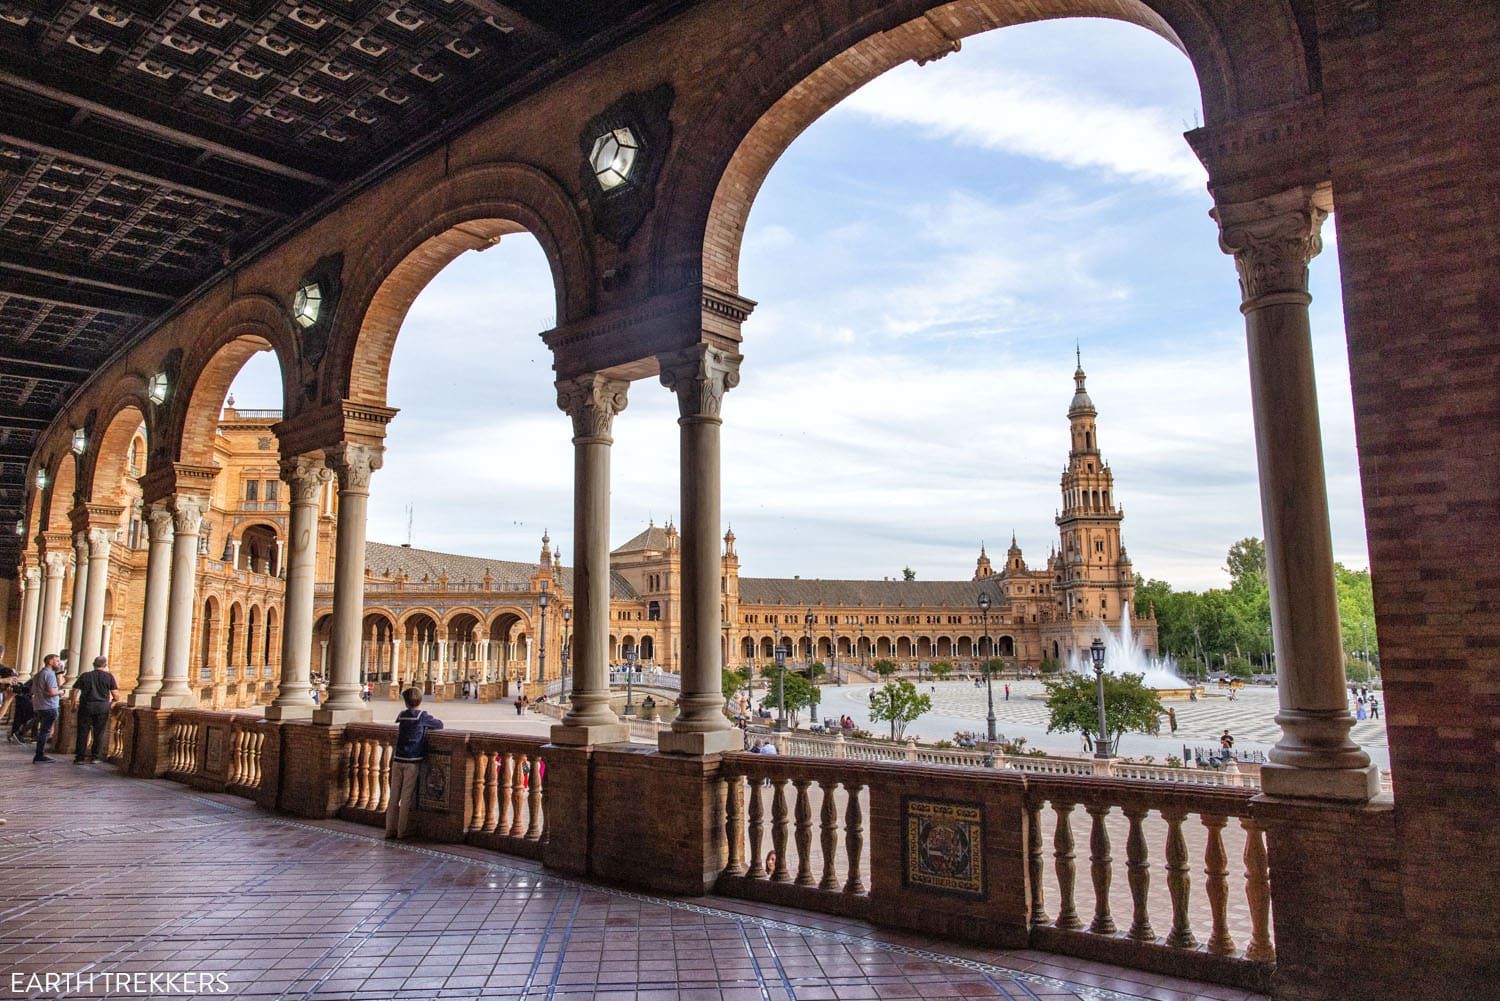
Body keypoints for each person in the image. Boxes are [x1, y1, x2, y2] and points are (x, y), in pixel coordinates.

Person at [386, 688, 444, 840]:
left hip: (398, 759)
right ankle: (402, 831)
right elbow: (439, 724)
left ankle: (389, 829)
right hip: (412, 761)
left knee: (393, 797)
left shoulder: (402, 715)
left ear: (405, 702)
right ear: (421, 700)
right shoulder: (422, 716)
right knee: (406, 798)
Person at [71, 655, 120, 763]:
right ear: (105, 665)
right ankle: (95, 757)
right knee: (98, 733)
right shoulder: (108, 677)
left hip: (86, 707)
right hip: (102, 708)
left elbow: (74, 690)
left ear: (93, 664)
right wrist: (113, 703)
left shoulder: (85, 676)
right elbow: (115, 694)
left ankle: (80, 757)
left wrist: (73, 703)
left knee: (82, 732)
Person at [31, 654, 63, 762]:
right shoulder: (50, 674)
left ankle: (39, 754)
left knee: (43, 731)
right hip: (49, 706)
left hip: (39, 705)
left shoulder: (38, 674)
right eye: (57, 661)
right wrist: (61, 692)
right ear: (50, 661)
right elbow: (52, 692)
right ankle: (39, 755)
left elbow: (33, 690)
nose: (59, 663)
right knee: (45, 732)